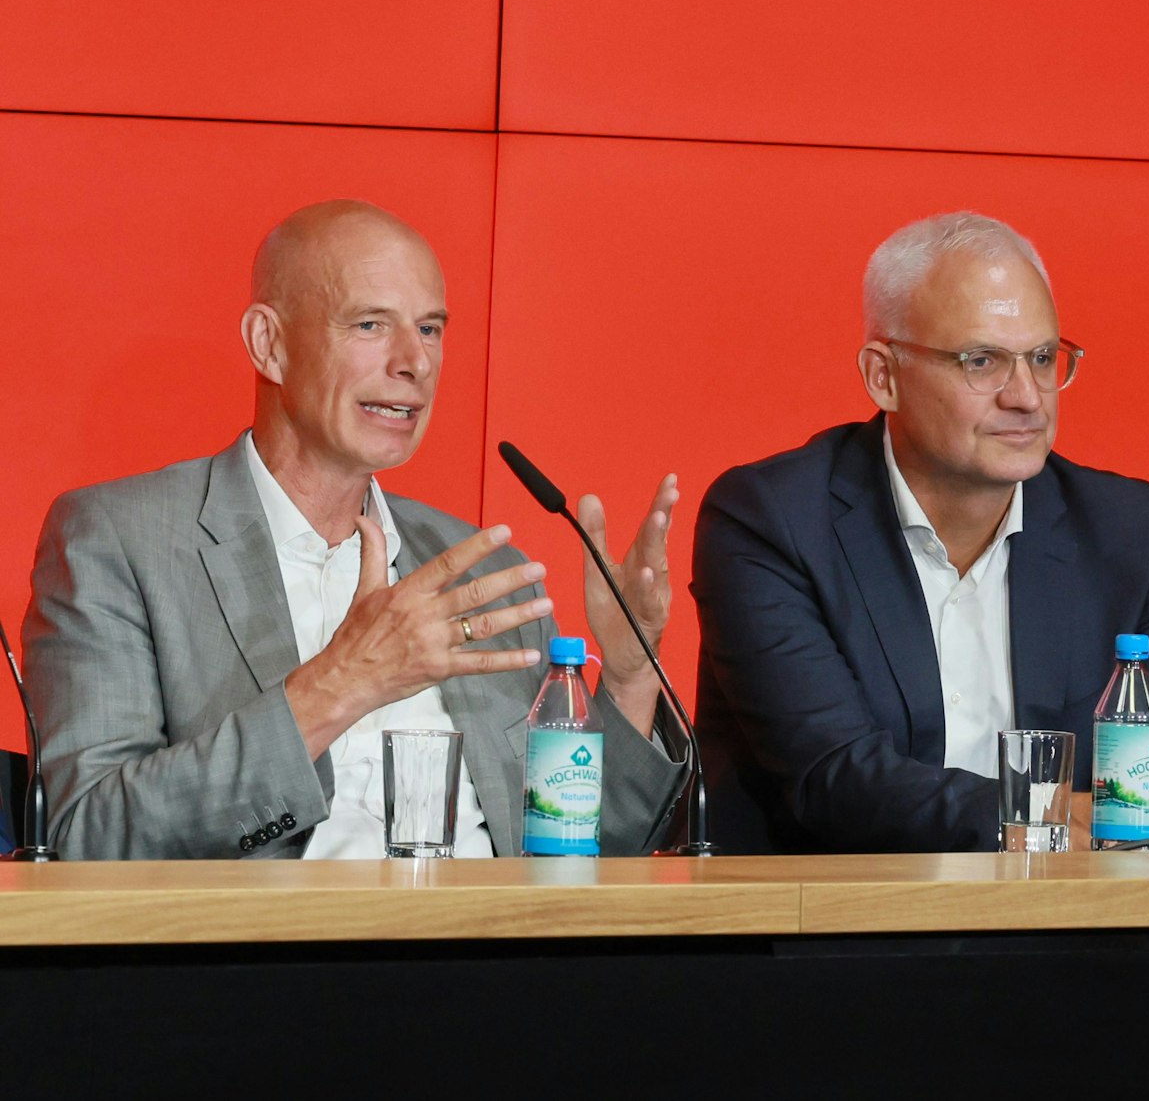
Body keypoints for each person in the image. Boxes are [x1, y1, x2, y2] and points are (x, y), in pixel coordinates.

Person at [23, 199, 688, 859]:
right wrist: (344, 682)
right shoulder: (121, 540)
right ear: (270, 344)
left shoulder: (476, 569)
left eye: (430, 329)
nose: (415, 363)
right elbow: (90, 835)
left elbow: (586, 854)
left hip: (491, 951)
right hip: (273, 957)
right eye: (370, 324)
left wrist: (630, 675)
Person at [691, 211, 1149, 853]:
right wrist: (1059, 820)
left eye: (1043, 358)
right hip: (832, 928)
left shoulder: (1122, 528)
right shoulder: (772, 520)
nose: (1027, 396)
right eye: (982, 361)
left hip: (1071, 934)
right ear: (883, 376)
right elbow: (835, 778)